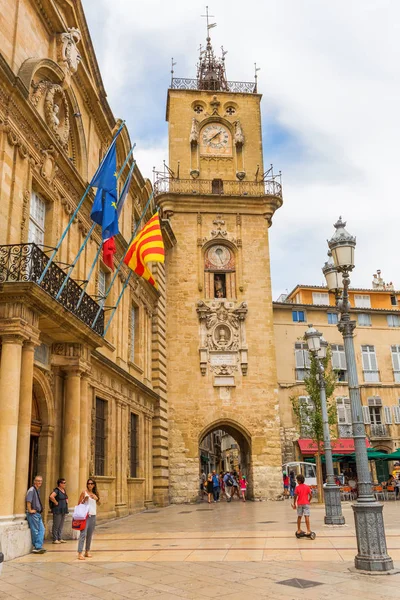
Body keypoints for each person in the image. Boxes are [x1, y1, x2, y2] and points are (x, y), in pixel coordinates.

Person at [77, 478, 100, 560]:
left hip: (93, 515)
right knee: (83, 534)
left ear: (94, 485)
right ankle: (80, 553)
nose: (90, 485)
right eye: (88, 483)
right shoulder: (84, 492)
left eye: (91, 483)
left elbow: (99, 503)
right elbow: (79, 504)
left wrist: (96, 498)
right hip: (85, 516)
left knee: (90, 535)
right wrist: (84, 500)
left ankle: (87, 551)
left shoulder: (95, 493)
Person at [26, 475, 46, 554]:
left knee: (42, 529)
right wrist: (30, 510)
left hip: (37, 514)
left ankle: (38, 546)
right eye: (38, 481)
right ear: (34, 481)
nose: (39, 482)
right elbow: (28, 501)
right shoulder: (32, 490)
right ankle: (37, 547)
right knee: (35, 531)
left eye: (40, 481)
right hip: (33, 514)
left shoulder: (37, 490)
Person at [49, 478, 68, 544]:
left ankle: (60, 538)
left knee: (61, 524)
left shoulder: (63, 490)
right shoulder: (57, 490)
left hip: (63, 509)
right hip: (57, 509)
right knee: (56, 524)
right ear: (60, 484)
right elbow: (51, 496)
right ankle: (55, 539)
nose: (65, 484)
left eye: (65, 482)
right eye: (64, 483)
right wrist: (56, 502)